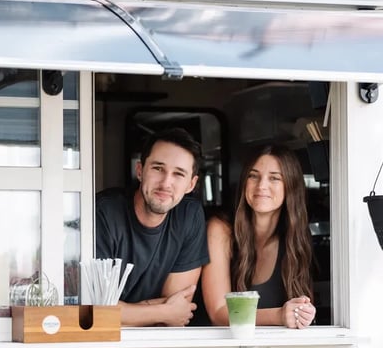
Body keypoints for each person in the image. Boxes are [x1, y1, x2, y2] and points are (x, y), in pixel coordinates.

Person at [95, 127, 210, 327]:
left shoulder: (189, 216)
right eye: (158, 168)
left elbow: (179, 308)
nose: (166, 183)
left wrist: (123, 312)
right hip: (99, 344)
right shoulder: (104, 212)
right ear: (140, 170)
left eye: (178, 174)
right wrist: (163, 312)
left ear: (191, 185)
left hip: (156, 345)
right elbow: (95, 312)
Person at [199, 144, 316, 328]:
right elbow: (218, 313)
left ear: (291, 187)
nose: (261, 186)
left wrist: (303, 313)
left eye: (274, 178)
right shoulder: (220, 230)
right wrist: (279, 316)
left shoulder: (296, 237)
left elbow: (303, 306)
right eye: (253, 176)